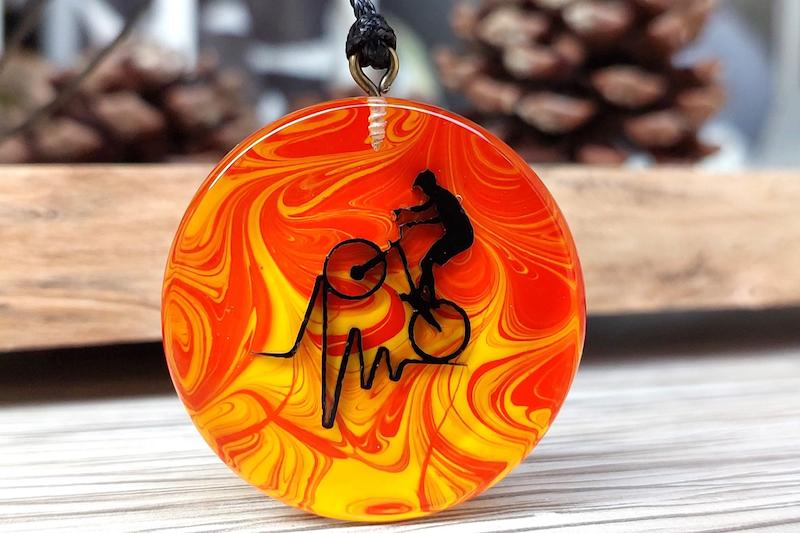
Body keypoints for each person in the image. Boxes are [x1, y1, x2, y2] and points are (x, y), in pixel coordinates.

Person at [394, 170, 474, 307]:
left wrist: (416, 222)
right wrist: (402, 211)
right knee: (427, 263)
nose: (424, 192)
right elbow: (423, 208)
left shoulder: (441, 197)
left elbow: (438, 218)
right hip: (457, 234)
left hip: (460, 236)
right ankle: (422, 295)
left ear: (428, 186)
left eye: (423, 189)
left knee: (427, 262)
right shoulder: (438, 194)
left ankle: (430, 299)